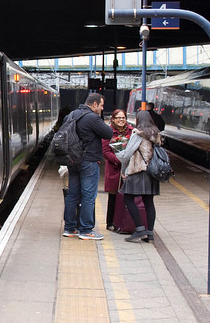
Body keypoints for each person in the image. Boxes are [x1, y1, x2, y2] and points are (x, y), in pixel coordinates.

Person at [62, 92, 113, 240]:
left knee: (72, 195)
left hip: (72, 160)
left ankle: (70, 228)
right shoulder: (92, 117)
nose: (102, 109)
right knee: (88, 196)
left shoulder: (71, 115)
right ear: (95, 104)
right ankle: (86, 230)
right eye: (101, 105)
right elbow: (108, 133)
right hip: (88, 161)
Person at [118, 110, 162, 242]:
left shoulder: (137, 134)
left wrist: (123, 170)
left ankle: (139, 229)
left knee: (128, 198)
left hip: (138, 170)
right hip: (152, 172)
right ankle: (150, 233)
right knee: (149, 202)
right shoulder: (156, 134)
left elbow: (127, 155)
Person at [102, 109, 133, 232]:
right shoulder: (108, 132)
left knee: (128, 197)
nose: (121, 120)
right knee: (113, 196)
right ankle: (110, 222)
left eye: (123, 118)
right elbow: (105, 151)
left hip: (129, 169)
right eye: (118, 118)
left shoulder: (131, 131)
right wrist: (118, 160)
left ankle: (124, 221)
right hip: (114, 168)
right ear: (113, 119)